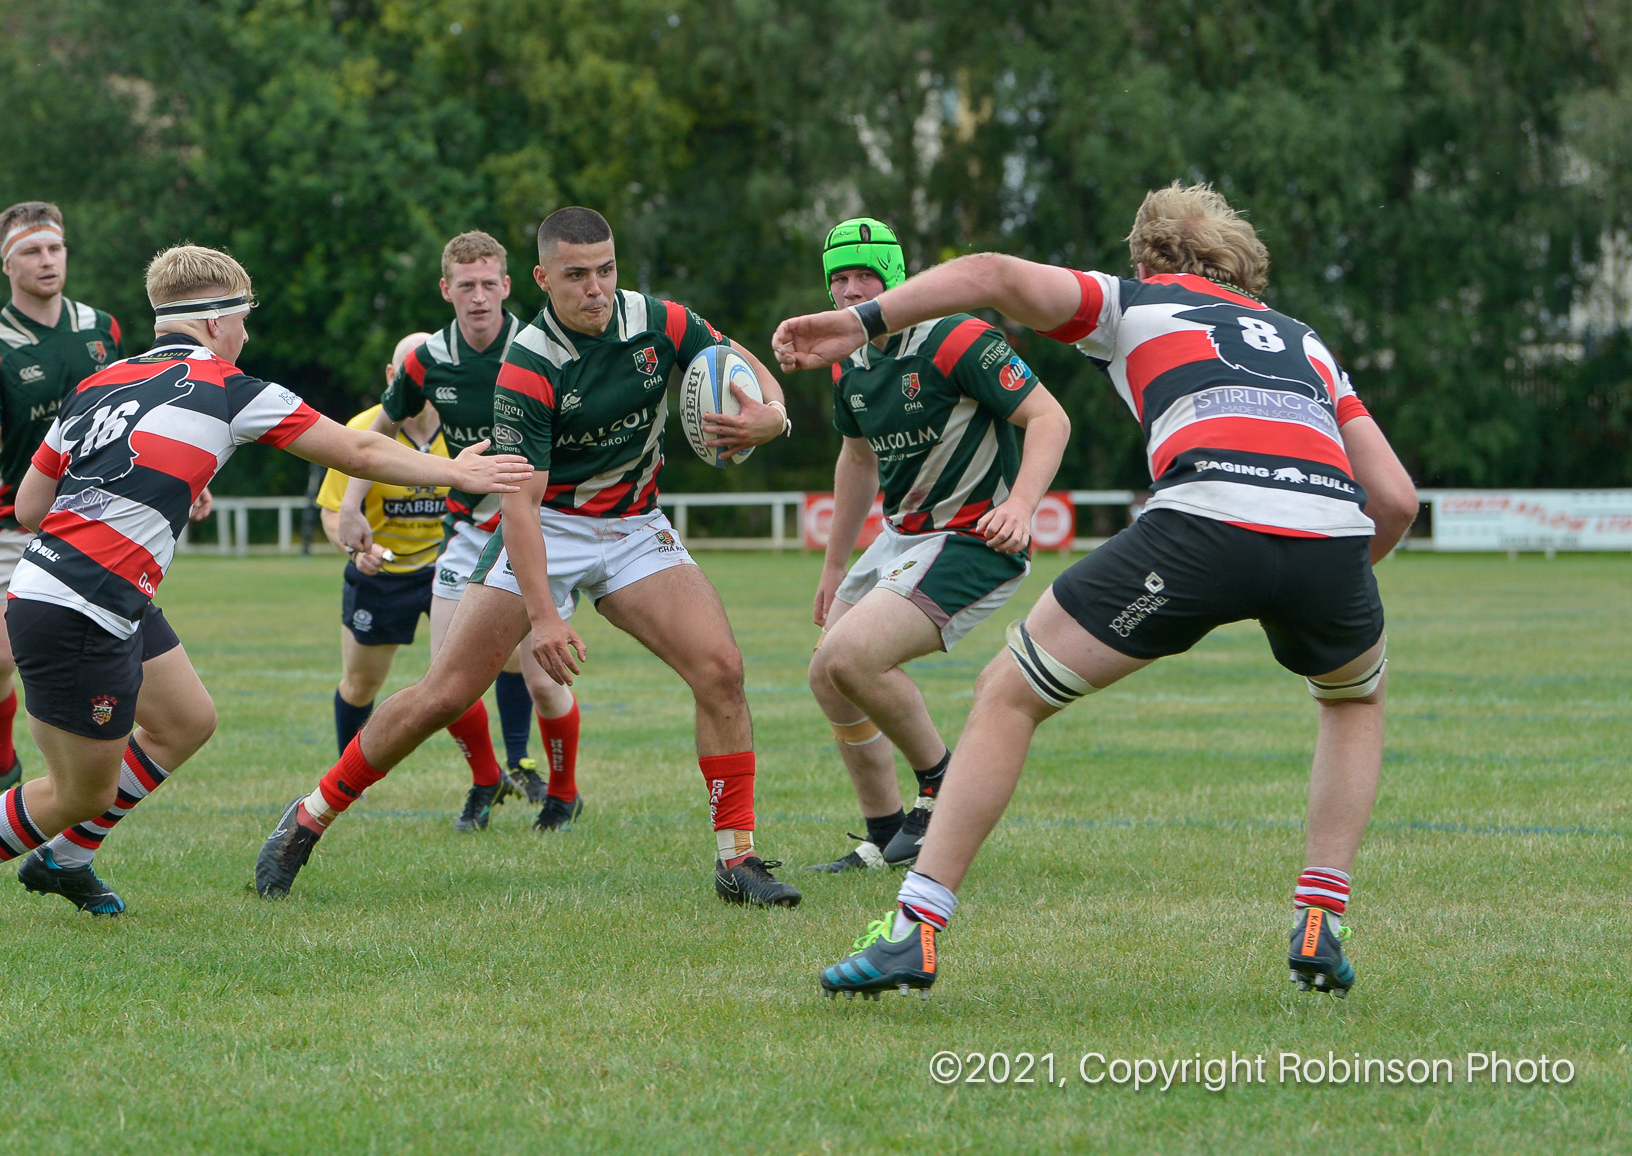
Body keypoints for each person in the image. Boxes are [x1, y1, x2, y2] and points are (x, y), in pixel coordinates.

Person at [773, 182, 1420, 999]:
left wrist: (863, 320)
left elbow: (991, 272)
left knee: (1009, 695)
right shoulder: (1306, 342)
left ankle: (914, 932)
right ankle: (1322, 918)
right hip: (1329, 535)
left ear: (1147, 257)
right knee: (1353, 699)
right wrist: (1330, 584)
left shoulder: (1136, 301)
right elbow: (1395, 499)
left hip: (1204, 521)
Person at [0, 243, 530, 924]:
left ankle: (64, 860)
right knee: (79, 790)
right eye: (244, 319)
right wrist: (458, 472)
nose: (246, 334)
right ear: (218, 321)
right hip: (81, 605)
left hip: (85, 588)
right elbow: (360, 446)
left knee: (188, 720)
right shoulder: (231, 388)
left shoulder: (102, 380)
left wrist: (138, 488)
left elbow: (31, 506)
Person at [256, 206, 802, 907]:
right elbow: (519, 502)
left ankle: (738, 860)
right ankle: (308, 816)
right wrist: (543, 616)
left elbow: (739, 361)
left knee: (722, 670)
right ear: (543, 279)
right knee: (446, 694)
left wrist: (774, 412)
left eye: (605, 269)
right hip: (546, 521)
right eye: (576, 275)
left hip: (635, 524)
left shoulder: (659, 320)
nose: (596, 287)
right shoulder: (529, 366)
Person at [797, 218, 1069, 876]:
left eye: (865, 275)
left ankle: (941, 785)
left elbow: (1049, 418)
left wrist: (1022, 504)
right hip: (904, 538)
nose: (851, 290)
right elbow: (856, 458)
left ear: (894, 277)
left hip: (976, 537)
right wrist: (835, 564)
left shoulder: (958, 337)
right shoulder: (851, 362)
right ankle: (886, 832)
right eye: (839, 277)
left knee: (851, 657)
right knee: (827, 677)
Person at [335, 231, 578, 829]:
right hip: (469, 529)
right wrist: (351, 506)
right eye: (465, 286)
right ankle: (486, 780)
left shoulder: (545, 348)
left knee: (543, 678)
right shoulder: (427, 360)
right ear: (447, 290)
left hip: (540, 524)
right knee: (446, 679)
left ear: (507, 287)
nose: (478, 297)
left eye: (488, 284)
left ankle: (564, 794)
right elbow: (381, 430)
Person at [0, 202, 127, 816]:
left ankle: (94, 778)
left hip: (102, 519)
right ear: (7, 263)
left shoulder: (102, 329)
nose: (47, 260)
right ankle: (0, 765)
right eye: (31, 251)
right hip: (14, 522)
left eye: (55, 248)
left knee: (104, 657)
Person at [318, 330, 517, 833]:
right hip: (384, 572)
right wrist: (354, 549)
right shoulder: (365, 429)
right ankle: (348, 773)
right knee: (362, 683)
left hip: (450, 561)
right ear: (393, 377)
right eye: (406, 370)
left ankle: (493, 776)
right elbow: (334, 514)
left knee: (453, 680)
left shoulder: (464, 425)